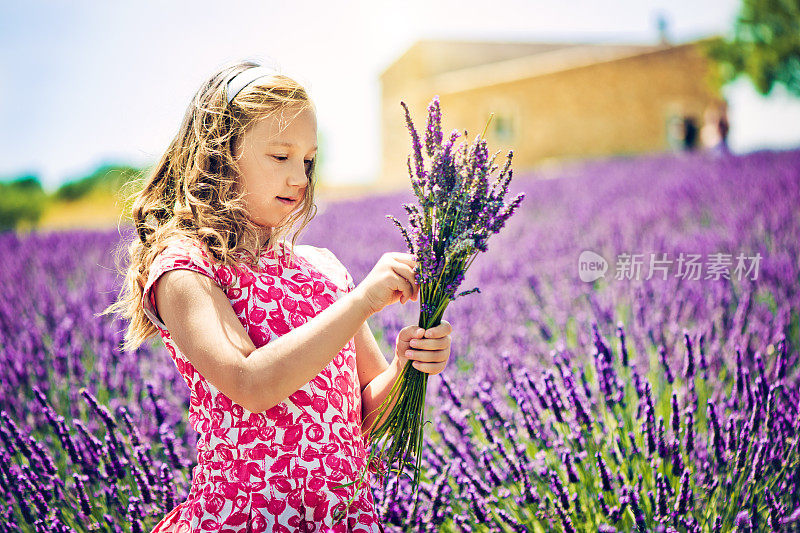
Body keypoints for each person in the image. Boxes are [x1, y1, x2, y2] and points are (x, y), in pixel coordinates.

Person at [101, 60, 453, 532]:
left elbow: (365, 414)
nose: (300, 177)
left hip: (340, 519)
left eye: (308, 160)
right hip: (248, 520)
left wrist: (406, 364)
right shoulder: (186, 268)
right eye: (280, 156)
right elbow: (251, 384)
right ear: (219, 154)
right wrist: (361, 302)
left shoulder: (323, 268)